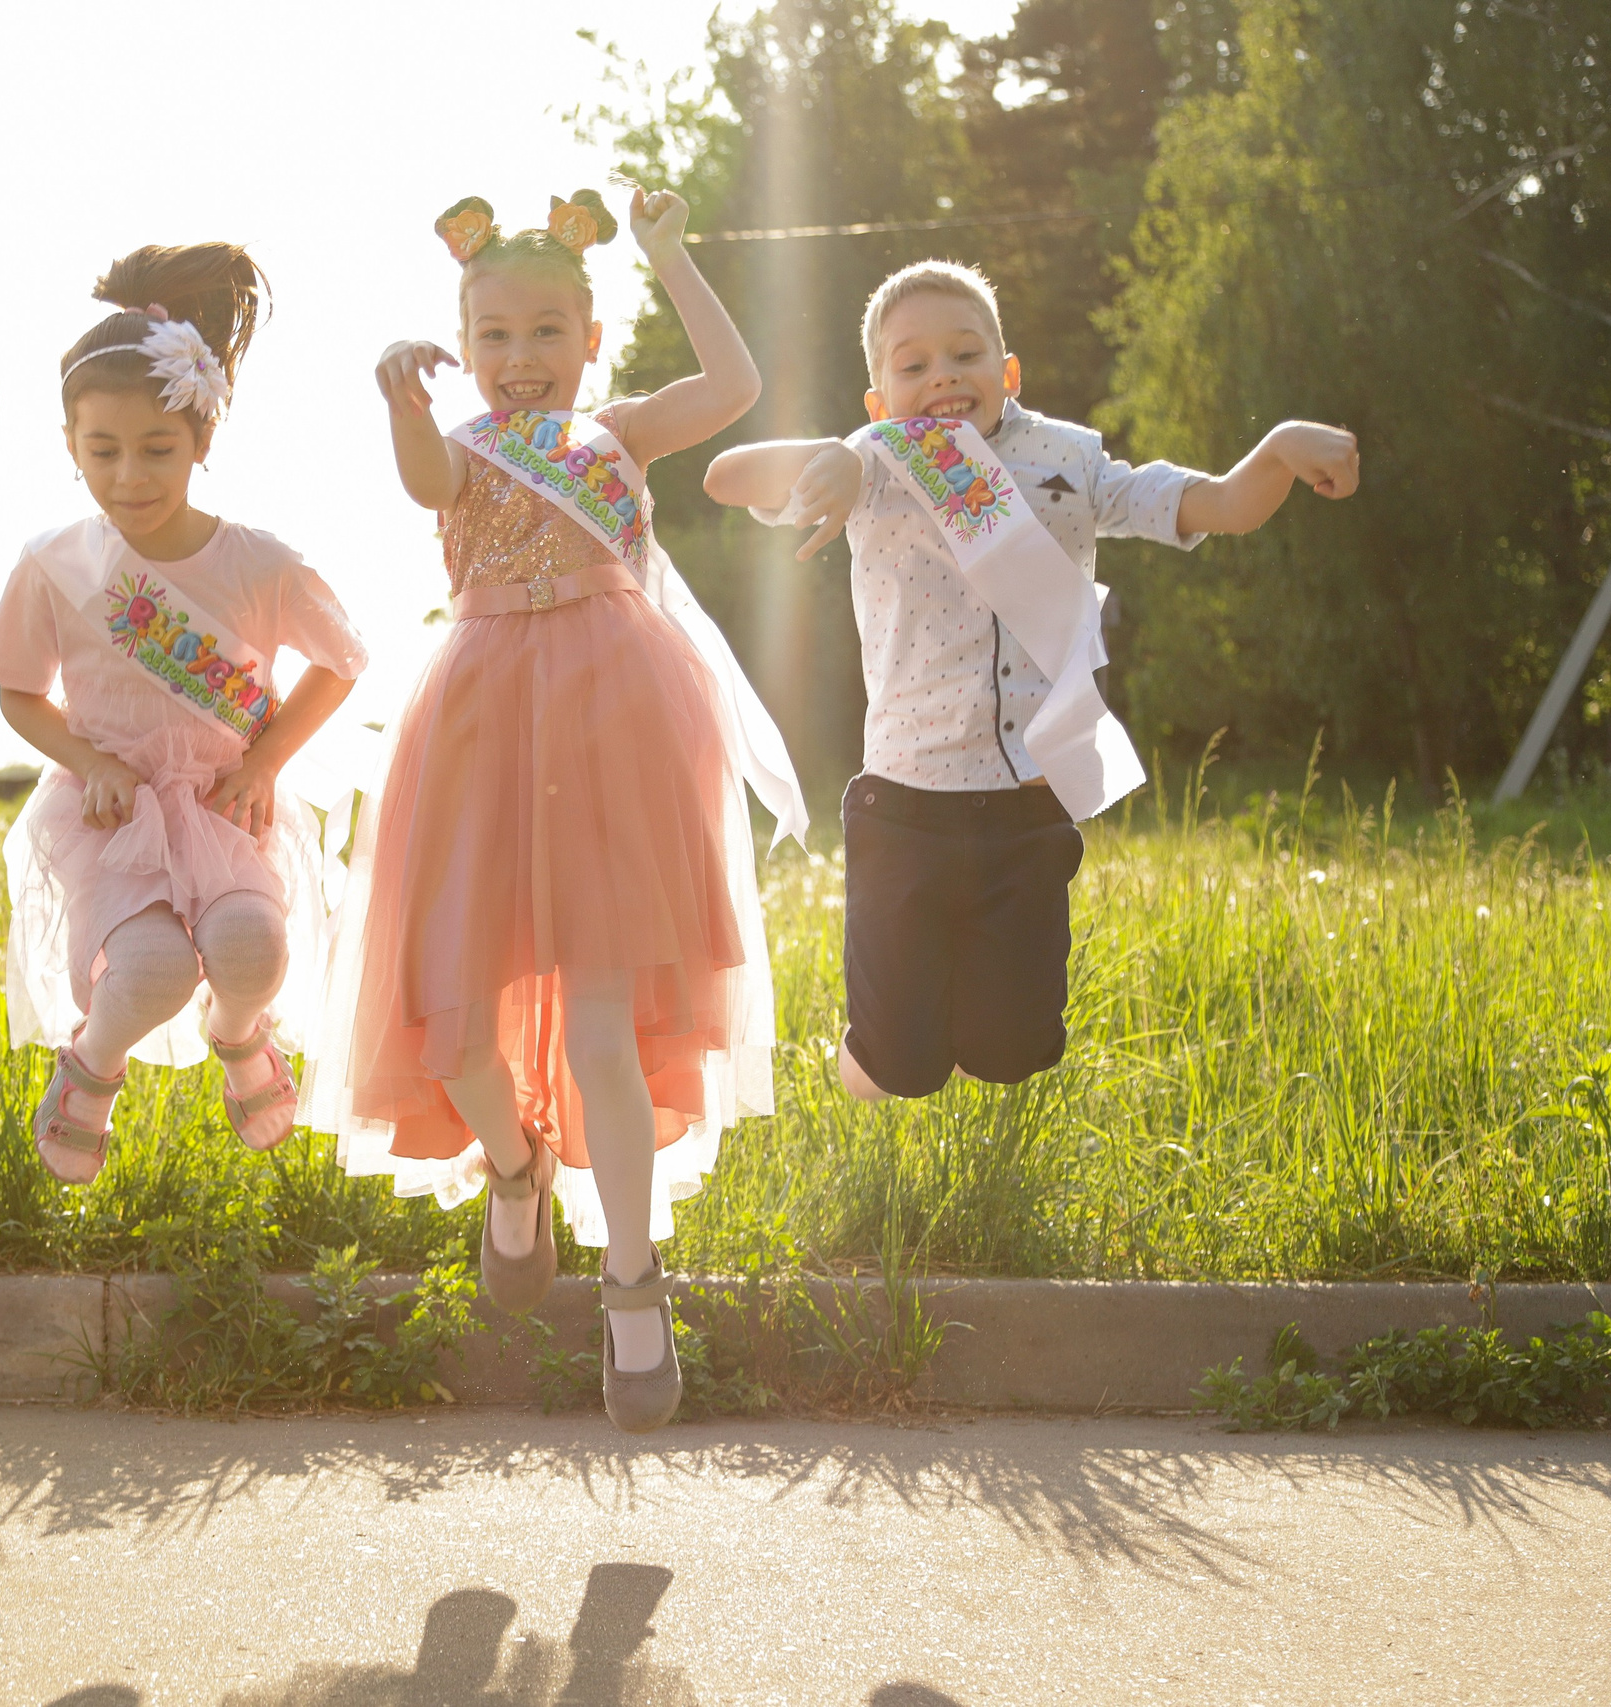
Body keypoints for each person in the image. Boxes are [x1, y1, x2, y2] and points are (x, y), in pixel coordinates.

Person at [305, 189, 807, 1434]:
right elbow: (424, 478)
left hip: (610, 722)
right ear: (463, 344)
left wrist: (672, 255)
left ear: (589, 339)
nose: (519, 356)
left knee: (600, 1027)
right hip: (477, 724)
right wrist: (398, 398)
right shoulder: (462, 444)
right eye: (494, 335)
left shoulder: (616, 433)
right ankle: (514, 1165)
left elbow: (734, 386)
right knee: (453, 1028)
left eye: (545, 332)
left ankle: (633, 1284)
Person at [704, 259, 1359, 1103]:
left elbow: (1222, 504)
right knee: (900, 1067)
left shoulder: (1070, 459)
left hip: (1027, 804)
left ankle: (963, 1022)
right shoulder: (873, 461)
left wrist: (1280, 449)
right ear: (879, 400)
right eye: (913, 364)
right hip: (904, 803)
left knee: (1014, 1050)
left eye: (965, 353)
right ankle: (876, 1054)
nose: (942, 375)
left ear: (1007, 371)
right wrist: (829, 455)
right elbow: (725, 477)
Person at [0, 245, 367, 1183]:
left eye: (158, 449)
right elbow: (18, 691)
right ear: (69, 443)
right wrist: (89, 761)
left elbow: (340, 661)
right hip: (111, 815)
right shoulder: (56, 562)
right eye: (102, 451)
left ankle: (240, 1034)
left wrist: (266, 761)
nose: (129, 476)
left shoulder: (260, 562)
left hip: (225, 804)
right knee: (149, 971)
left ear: (202, 438)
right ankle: (91, 1066)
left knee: (252, 950)